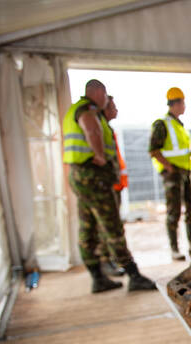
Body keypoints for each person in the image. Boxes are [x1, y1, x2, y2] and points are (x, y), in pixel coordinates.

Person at [63, 79, 156, 293]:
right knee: (112, 225)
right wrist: (100, 156)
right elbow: (92, 131)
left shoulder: (74, 110)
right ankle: (133, 274)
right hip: (93, 176)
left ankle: (97, 276)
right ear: (99, 93)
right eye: (106, 97)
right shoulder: (88, 110)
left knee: (88, 227)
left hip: (81, 175)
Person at [148, 87, 191, 260]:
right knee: (173, 211)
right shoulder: (162, 124)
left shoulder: (180, 126)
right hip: (173, 174)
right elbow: (154, 150)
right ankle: (174, 249)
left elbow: (181, 149)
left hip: (186, 172)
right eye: (183, 102)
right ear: (176, 103)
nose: (184, 106)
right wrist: (169, 167)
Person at [93, 95, 127, 277]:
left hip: (111, 183)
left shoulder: (106, 128)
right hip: (102, 184)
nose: (116, 110)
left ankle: (109, 261)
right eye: (113, 107)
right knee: (108, 225)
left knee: (110, 224)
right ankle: (108, 261)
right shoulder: (97, 126)